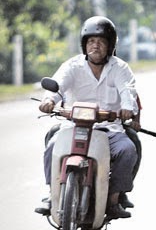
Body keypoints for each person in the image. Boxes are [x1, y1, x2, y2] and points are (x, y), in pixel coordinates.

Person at [35, 16, 140, 219]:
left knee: (128, 150)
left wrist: (128, 108)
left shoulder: (120, 68)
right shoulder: (72, 66)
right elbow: (57, 85)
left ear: (110, 45)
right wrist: (48, 100)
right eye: (91, 41)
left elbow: (128, 91)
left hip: (109, 129)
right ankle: (52, 194)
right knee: (52, 146)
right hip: (72, 126)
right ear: (84, 44)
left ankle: (113, 199)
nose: (96, 45)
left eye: (101, 41)